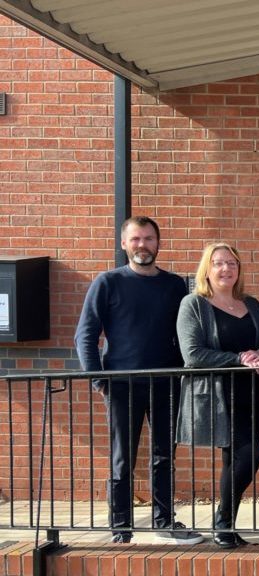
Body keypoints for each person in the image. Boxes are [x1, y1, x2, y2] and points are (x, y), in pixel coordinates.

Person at [74, 216, 202, 545]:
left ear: (158, 243)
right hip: (121, 386)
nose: (142, 245)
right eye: (135, 239)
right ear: (124, 244)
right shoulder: (107, 282)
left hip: (167, 383)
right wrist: (98, 381)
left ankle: (163, 520)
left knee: (164, 457)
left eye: (148, 239)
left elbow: (188, 331)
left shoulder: (175, 285)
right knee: (122, 458)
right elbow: (85, 335)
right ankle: (121, 528)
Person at [176, 242, 259, 549]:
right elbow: (192, 353)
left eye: (232, 263)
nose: (226, 269)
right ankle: (223, 521)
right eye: (219, 263)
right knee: (251, 453)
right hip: (217, 396)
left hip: (250, 393)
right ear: (207, 268)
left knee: (235, 458)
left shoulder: (252, 304)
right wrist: (240, 359)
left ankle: (225, 527)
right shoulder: (193, 304)